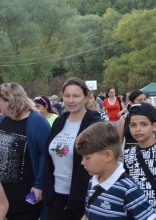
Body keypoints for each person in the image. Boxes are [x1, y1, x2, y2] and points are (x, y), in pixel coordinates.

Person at [43, 78, 101, 220]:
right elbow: (47, 156)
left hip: (82, 197)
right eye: (67, 96)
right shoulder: (59, 121)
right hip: (55, 194)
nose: (71, 100)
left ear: (86, 97)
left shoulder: (94, 123)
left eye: (76, 96)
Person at [0, 83, 51, 220]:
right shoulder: (4, 120)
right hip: (2, 195)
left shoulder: (37, 122)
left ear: (11, 101)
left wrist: (39, 185)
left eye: (0, 100)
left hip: (26, 197)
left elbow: (46, 155)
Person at [75, 122, 156, 220]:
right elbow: (88, 214)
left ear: (108, 155)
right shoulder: (92, 182)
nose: (82, 162)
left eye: (87, 158)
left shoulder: (128, 189)